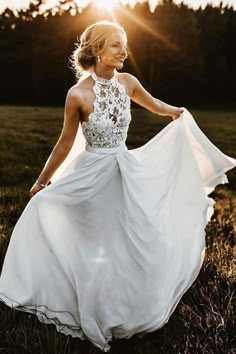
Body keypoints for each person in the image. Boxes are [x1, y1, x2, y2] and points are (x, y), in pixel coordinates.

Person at [0, 20, 235, 353]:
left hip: (124, 169)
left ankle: (129, 300)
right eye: (115, 45)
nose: (124, 51)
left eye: (124, 44)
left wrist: (176, 113)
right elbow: (65, 142)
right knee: (81, 232)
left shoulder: (128, 82)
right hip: (91, 174)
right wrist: (42, 180)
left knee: (132, 236)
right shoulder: (77, 94)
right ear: (97, 49)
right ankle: (79, 299)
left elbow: (153, 104)